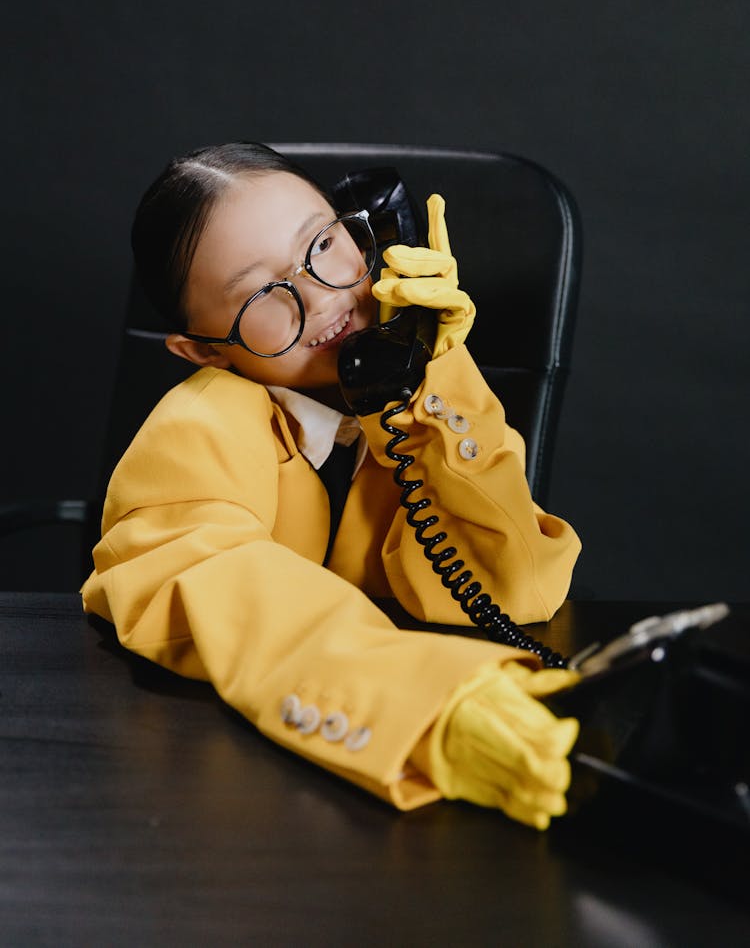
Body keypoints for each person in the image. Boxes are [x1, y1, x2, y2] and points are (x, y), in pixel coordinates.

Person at [81, 142, 582, 829]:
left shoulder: (410, 405)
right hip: (240, 800)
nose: (319, 296)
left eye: (322, 242)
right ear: (201, 349)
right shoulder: (196, 428)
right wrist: (421, 703)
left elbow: (515, 587)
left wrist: (436, 375)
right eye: (263, 294)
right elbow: (220, 579)